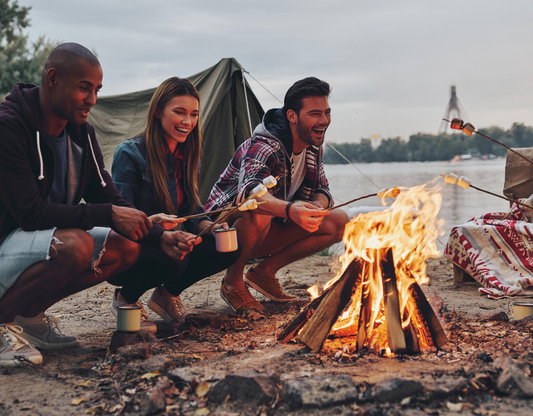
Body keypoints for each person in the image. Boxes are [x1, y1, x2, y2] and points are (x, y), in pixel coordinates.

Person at [0, 43, 200, 367]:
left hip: (35, 243)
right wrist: (108, 214)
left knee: (125, 247)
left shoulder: (81, 132)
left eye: (96, 89)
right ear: (53, 79)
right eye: (84, 88)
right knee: (75, 245)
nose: (92, 99)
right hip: (7, 244)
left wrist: (155, 234)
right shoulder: (9, 125)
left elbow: (105, 195)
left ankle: (29, 317)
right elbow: (29, 212)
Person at [205, 77, 349, 314]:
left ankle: (263, 273)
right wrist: (291, 210)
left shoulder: (312, 145)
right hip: (219, 235)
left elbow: (323, 189)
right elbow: (250, 194)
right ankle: (232, 282)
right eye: (315, 114)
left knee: (339, 221)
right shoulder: (263, 145)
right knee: (259, 210)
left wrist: (316, 207)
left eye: (327, 112)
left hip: (264, 232)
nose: (324, 121)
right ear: (292, 116)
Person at [108, 77, 241, 330]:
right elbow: (121, 219)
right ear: (158, 111)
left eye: (193, 114)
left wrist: (209, 226)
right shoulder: (130, 153)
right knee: (176, 257)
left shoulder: (189, 155)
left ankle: (165, 294)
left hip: (170, 241)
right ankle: (126, 298)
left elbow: (192, 208)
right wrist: (157, 228)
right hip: (134, 247)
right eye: (179, 112)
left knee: (228, 247)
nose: (187, 122)